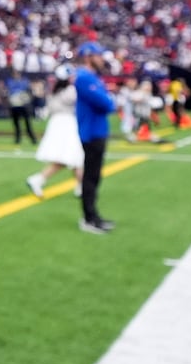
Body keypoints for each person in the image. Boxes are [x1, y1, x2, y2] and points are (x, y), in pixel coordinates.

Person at [73, 42, 118, 234]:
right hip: (91, 132)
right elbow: (105, 103)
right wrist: (109, 100)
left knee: (95, 176)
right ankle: (88, 219)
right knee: (90, 177)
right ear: (88, 57)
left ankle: (94, 216)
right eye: (98, 56)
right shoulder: (84, 78)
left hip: (97, 131)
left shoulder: (92, 78)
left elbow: (107, 102)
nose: (101, 59)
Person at [27, 65, 83, 199]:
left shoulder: (55, 90)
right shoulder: (70, 91)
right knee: (75, 157)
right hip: (67, 124)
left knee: (71, 158)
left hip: (58, 123)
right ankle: (81, 187)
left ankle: (80, 187)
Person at [8, 71, 37, 145]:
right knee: (16, 123)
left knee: (27, 123)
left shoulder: (24, 81)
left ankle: (32, 138)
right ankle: (18, 139)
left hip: (23, 105)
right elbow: (11, 90)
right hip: (15, 105)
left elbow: (27, 90)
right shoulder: (11, 82)